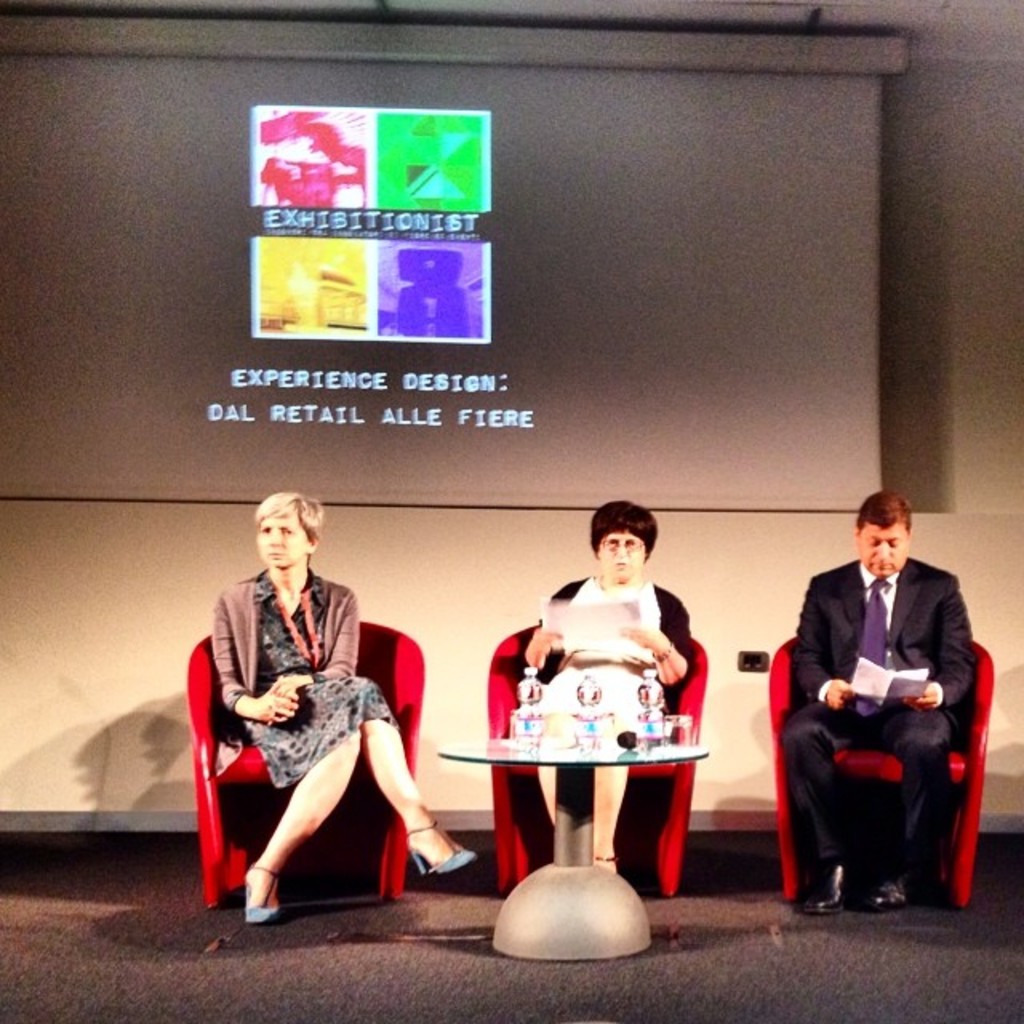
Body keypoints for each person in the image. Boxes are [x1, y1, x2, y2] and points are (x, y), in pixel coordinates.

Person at [212, 492, 475, 924]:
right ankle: (422, 828)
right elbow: (227, 685)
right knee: (364, 702)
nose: (274, 541)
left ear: (311, 541)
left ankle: (265, 871)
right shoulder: (234, 601)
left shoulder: (340, 599)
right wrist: (255, 705)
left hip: (323, 702)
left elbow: (340, 671)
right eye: (265, 531)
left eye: (286, 531)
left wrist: (307, 681)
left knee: (356, 705)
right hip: (267, 716)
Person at [782, 490, 975, 914]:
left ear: (908, 538)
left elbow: (960, 661)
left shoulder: (939, 587)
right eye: (874, 542)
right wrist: (824, 687)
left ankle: (909, 869)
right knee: (800, 733)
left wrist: (938, 692)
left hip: (911, 710)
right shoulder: (826, 587)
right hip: (848, 706)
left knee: (925, 744)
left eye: (894, 543)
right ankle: (833, 864)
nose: (884, 554)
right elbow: (807, 656)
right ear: (857, 537)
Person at [524, 500, 693, 869]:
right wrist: (540, 640)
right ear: (598, 550)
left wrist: (659, 645)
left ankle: (601, 854)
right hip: (574, 678)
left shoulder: (665, 604)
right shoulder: (571, 594)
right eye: (612, 543)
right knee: (556, 731)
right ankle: (572, 849)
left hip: (633, 683)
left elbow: (677, 675)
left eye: (631, 544)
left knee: (611, 733)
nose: (621, 553)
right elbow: (535, 664)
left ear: (645, 552)